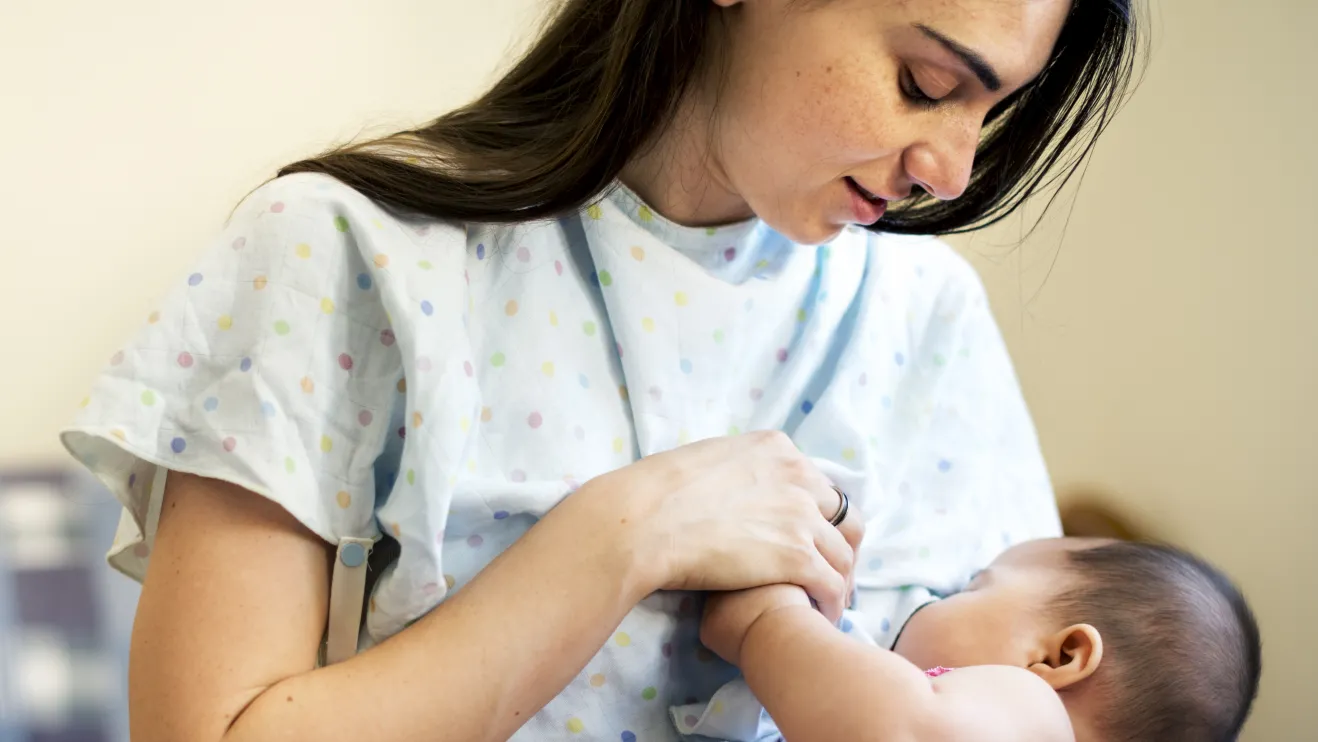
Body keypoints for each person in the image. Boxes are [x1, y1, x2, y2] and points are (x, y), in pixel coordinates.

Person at [59, 1, 1143, 741]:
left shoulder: (926, 317)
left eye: (990, 110)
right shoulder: (339, 253)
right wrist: (629, 535)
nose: (949, 170)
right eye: (924, 81)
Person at [680, 538, 1263, 741]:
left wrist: (770, 622)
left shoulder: (1035, 714)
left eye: (973, 586)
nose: (932, 597)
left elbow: (898, 732)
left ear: (1058, 658)